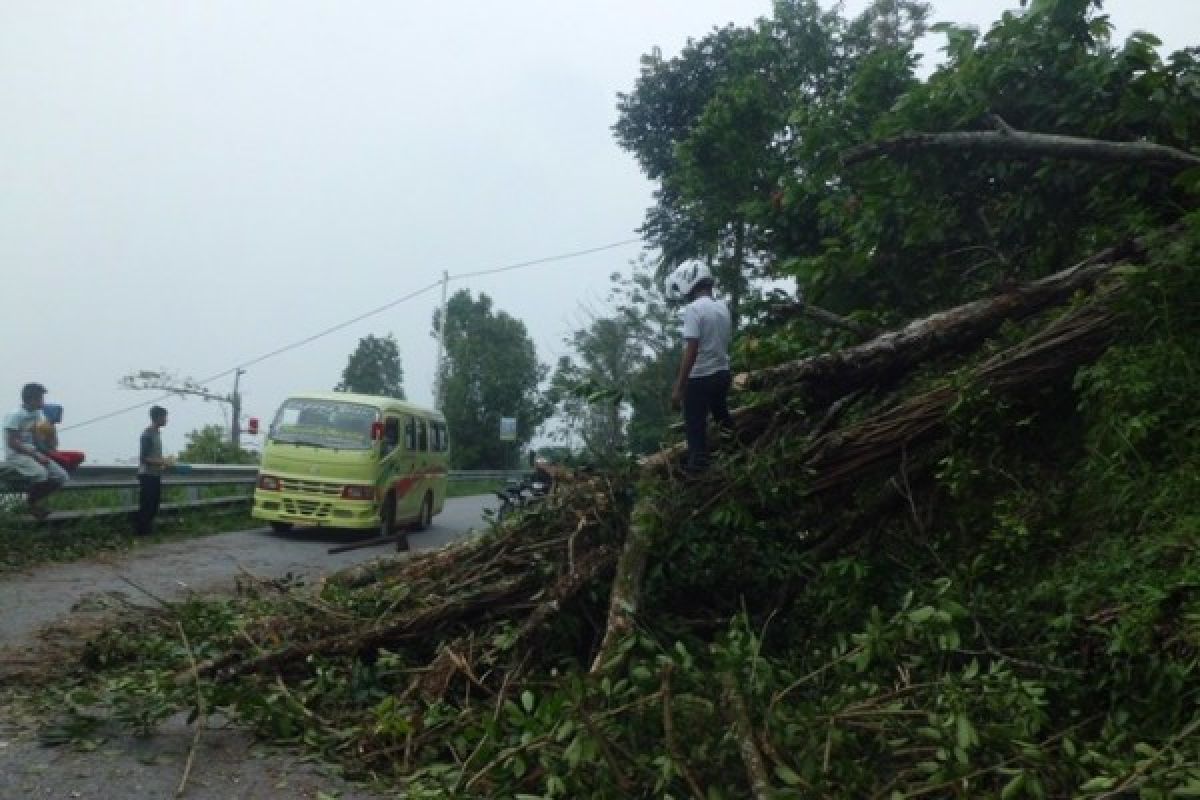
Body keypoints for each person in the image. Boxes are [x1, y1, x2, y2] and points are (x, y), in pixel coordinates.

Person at [666, 263, 733, 473]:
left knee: (695, 428)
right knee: (722, 417)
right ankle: (736, 452)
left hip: (701, 377)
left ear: (688, 282)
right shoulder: (722, 306)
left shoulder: (694, 309)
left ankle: (698, 470)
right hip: (722, 373)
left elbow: (692, 349)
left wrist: (680, 386)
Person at [3, 383, 69, 520]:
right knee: (41, 474)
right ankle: (32, 504)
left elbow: (37, 438)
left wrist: (48, 446)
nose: (43, 402)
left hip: (33, 453)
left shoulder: (36, 414)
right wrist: (36, 456)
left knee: (62, 476)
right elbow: (12, 442)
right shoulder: (14, 415)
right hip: (16, 455)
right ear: (31, 399)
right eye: (40, 398)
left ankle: (33, 501)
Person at [134, 405, 172, 536]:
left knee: (154, 504)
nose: (166, 420)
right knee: (147, 504)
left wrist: (164, 463)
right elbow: (144, 458)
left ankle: (147, 531)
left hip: (155, 474)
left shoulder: (156, 434)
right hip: (147, 475)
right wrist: (162, 462)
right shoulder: (147, 434)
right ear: (157, 417)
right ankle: (142, 532)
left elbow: (154, 457)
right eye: (164, 417)